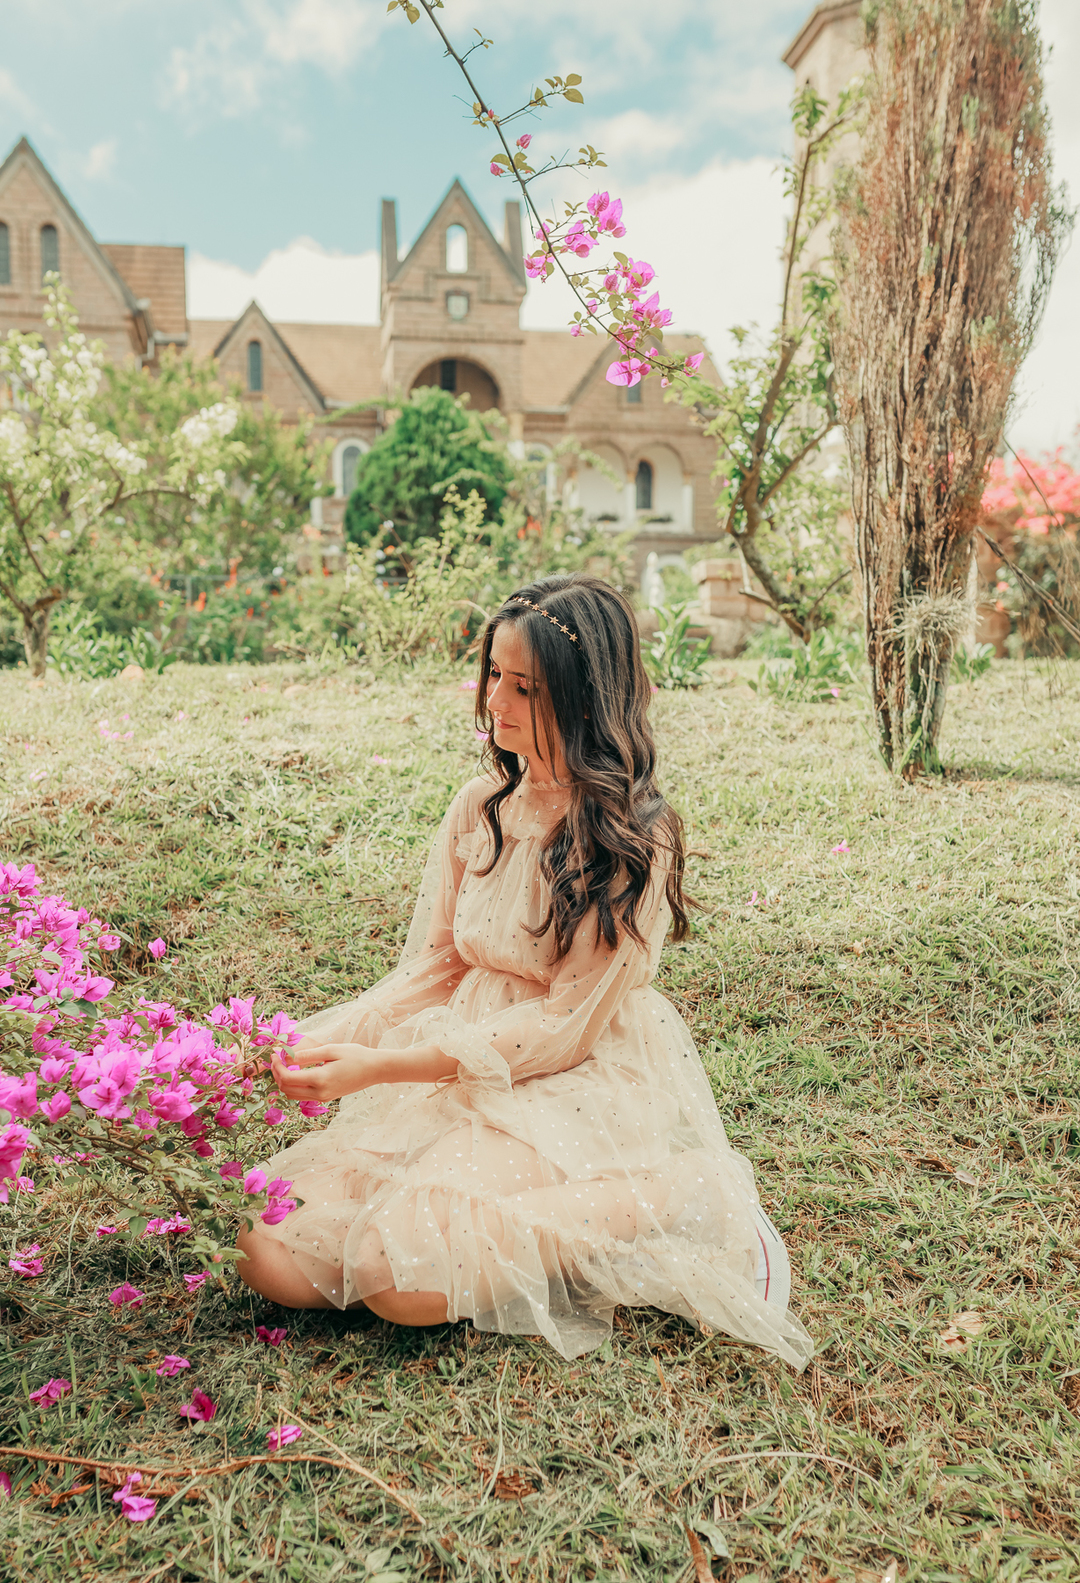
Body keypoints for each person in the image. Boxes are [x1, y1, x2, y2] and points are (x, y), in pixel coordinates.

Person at [236, 574, 813, 1367]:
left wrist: (384, 1070)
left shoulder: (629, 838)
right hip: (459, 1054)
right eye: (493, 675)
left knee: (391, 1278)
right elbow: (433, 968)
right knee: (267, 1251)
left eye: (525, 686)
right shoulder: (481, 809)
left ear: (583, 699)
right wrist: (304, 1042)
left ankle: (670, 1195)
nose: (495, 701)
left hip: (572, 1078)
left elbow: (560, 1027)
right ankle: (445, 1215)